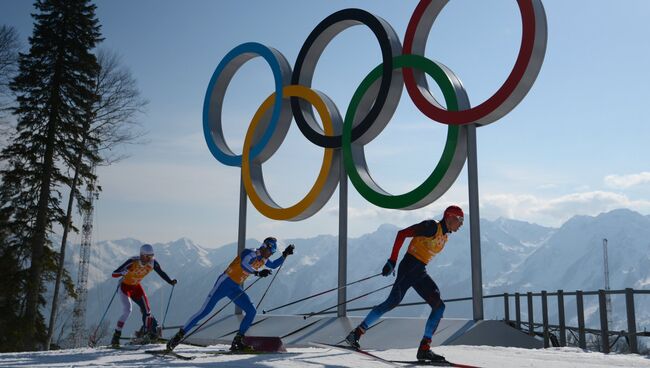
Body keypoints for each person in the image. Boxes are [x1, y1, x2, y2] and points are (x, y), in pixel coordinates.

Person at [345, 205, 464, 363]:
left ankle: (424, 349)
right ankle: (356, 333)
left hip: (419, 270)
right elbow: (402, 234)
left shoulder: (444, 235)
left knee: (439, 306)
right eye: (460, 220)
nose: (461, 224)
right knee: (391, 302)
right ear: (450, 217)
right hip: (409, 267)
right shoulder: (431, 227)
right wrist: (392, 260)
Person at [166, 237, 294, 352]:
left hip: (235, 287)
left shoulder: (264, 259)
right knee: (204, 311)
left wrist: (284, 255)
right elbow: (244, 264)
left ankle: (238, 340)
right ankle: (178, 336)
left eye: (273, 253)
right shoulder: (251, 252)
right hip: (224, 283)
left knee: (251, 311)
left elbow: (273, 265)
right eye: (271, 251)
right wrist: (257, 273)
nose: (271, 254)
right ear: (265, 247)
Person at [110, 243, 177, 347]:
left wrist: (170, 281)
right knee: (128, 310)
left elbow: (161, 272)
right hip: (124, 288)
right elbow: (114, 274)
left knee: (147, 310)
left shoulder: (153, 263)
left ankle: (146, 334)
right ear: (142, 255)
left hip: (136, 287)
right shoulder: (132, 262)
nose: (150, 259)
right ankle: (116, 336)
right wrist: (123, 272)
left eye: (151, 256)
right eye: (147, 256)